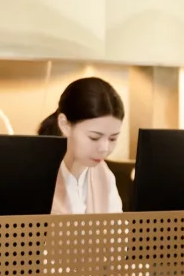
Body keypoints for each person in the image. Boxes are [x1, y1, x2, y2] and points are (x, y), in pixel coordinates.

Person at [39, 77, 125, 214]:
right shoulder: (37, 175)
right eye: (94, 137)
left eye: (113, 138)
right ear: (65, 124)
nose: (104, 148)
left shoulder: (104, 175)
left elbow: (117, 225)